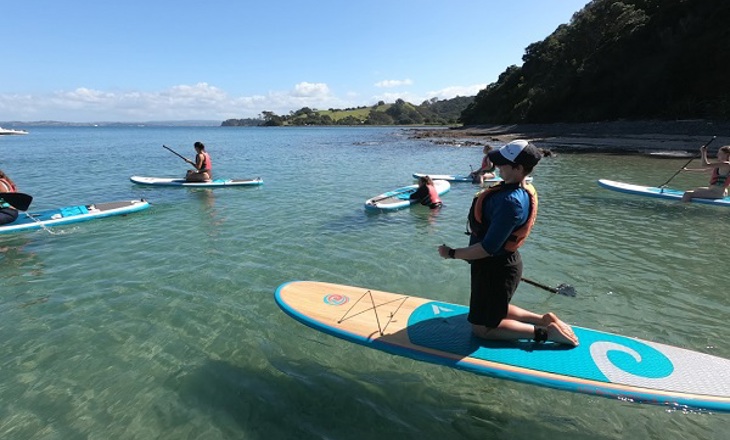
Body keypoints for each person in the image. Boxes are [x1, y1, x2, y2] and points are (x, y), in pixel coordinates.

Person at [437, 140, 578, 346]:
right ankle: (544, 320)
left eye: (503, 163)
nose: (497, 166)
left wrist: (452, 253)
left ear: (519, 168)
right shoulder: (518, 188)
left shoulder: (510, 202)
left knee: (482, 329)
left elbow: (488, 248)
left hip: (496, 268)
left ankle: (545, 333)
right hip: (497, 265)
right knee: (496, 308)